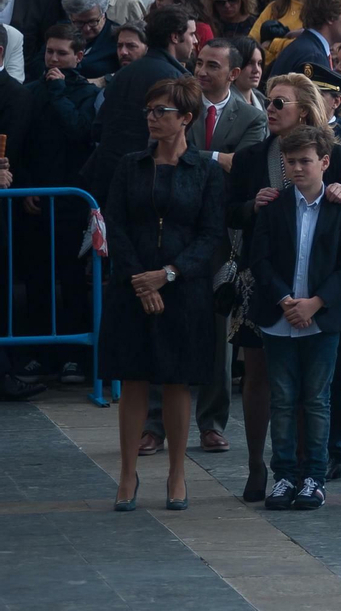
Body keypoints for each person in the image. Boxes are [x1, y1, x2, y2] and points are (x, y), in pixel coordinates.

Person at [102, 76, 225, 513]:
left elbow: (211, 236)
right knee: (132, 378)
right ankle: (127, 473)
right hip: (131, 286)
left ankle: (177, 472)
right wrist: (140, 278)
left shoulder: (205, 171)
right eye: (149, 112)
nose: (152, 119)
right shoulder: (130, 165)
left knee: (176, 380)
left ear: (186, 119)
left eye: (162, 112)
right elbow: (114, 225)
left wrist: (168, 275)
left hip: (183, 289)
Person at [245, 122, 341, 512]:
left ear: (324, 162)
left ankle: (314, 476)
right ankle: (285, 476)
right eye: (290, 162)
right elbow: (258, 259)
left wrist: (315, 303)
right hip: (280, 317)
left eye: (305, 161)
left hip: (322, 320)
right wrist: (284, 299)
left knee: (316, 399)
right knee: (282, 398)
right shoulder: (274, 205)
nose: (297, 169)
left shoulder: (340, 207)